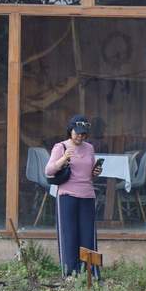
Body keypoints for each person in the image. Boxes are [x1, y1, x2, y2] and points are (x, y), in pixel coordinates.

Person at [46, 115, 103, 277]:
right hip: (67, 195)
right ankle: (70, 274)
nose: (80, 136)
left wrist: (96, 172)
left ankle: (90, 273)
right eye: (77, 133)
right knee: (68, 234)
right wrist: (63, 159)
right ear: (70, 131)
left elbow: (89, 174)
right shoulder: (61, 147)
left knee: (88, 234)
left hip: (87, 194)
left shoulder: (89, 148)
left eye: (84, 134)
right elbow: (49, 171)